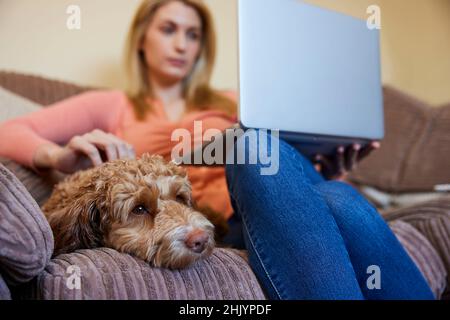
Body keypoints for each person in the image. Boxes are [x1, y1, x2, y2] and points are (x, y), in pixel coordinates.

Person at [0, 0, 433, 300]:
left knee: (328, 186)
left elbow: (285, 174)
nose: (182, 44)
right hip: (228, 224)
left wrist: (326, 164)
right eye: (168, 29)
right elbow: (10, 129)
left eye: (193, 35)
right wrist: (54, 157)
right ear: (141, 39)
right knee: (267, 152)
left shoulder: (232, 99)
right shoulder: (113, 104)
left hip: (279, 201)